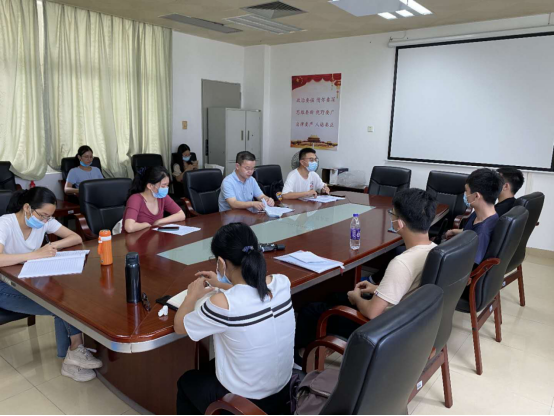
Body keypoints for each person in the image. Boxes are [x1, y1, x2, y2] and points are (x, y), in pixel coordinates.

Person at [295, 189, 437, 364]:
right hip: (408, 319)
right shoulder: (434, 250)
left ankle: (301, 359)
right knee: (335, 296)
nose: (391, 218)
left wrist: (356, 298)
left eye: (392, 214)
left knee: (311, 311)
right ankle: (325, 346)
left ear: (399, 223)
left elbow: (371, 312)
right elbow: (412, 287)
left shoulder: (402, 263)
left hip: (383, 329)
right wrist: (378, 288)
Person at [174, 223, 295, 415]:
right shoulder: (281, 282)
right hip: (284, 393)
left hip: (247, 403)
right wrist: (221, 284)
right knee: (210, 367)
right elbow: (252, 293)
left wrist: (192, 295)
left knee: (187, 382)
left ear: (221, 263)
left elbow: (180, 326)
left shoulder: (223, 304)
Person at [0, 187, 102, 382]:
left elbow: (75, 237)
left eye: (49, 217)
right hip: (4, 287)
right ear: (27, 208)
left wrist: (51, 246)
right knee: (60, 306)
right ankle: (74, 354)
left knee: (64, 299)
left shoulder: (42, 221)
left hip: (27, 280)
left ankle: (72, 356)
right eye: (43, 216)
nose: (46, 221)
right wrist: (33, 255)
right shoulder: (5, 223)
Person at [446, 168, 503, 265]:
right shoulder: (480, 214)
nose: (465, 195)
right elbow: (470, 231)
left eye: (466, 191)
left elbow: (471, 265)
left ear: (476, 196)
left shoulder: (482, 232)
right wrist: (454, 231)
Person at [124, 166, 186, 233]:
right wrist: (147, 225)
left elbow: (181, 215)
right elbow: (129, 227)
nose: (166, 188)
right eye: (163, 186)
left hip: (153, 237)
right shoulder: (135, 199)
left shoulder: (162, 197)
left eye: (167, 185)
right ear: (150, 186)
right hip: (133, 238)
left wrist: (159, 221)